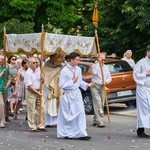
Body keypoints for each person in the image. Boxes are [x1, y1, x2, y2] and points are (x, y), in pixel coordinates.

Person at [57, 52, 93, 140]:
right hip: (68, 95)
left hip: (76, 94)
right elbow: (61, 85)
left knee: (80, 112)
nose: (78, 62)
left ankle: (81, 133)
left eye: (78, 60)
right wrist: (71, 81)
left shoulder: (78, 69)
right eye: (77, 60)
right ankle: (66, 132)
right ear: (71, 60)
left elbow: (80, 81)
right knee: (68, 115)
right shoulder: (64, 71)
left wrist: (87, 85)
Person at [24, 57, 46, 132]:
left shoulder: (38, 71)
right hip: (31, 92)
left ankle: (41, 125)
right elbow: (29, 86)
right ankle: (32, 126)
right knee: (31, 109)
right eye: (33, 63)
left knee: (42, 108)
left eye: (36, 62)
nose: (35, 64)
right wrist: (37, 93)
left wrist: (43, 78)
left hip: (39, 90)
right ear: (29, 64)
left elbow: (42, 82)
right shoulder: (28, 73)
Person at [90, 53, 112, 128]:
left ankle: (95, 120)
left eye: (104, 59)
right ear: (98, 59)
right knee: (97, 102)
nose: (103, 61)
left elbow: (109, 77)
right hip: (95, 86)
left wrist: (106, 81)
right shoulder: (94, 66)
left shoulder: (106, 67)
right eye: (101, 59)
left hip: (102, 86)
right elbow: (94, 73)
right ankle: (99, 121)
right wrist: (97, 64)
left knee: (102, 103)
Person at [133, 45, 150, 138]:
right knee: (144, 109)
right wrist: (146, 74)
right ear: (148, 51)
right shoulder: (141, 62)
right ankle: (140, 130)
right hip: (143, 88)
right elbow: (135, 75)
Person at [43, 54, 63, 127]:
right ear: (51, 58)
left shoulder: (60, 67)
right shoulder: (46, 67)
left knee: (56, 104)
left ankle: (56, 121)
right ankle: (47, 122)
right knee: (48, 105)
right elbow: (45, 76)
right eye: (54, 58)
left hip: (58, 87)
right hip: (48, 89)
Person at [0, 55, 11, 127]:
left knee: (4, 105)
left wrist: (7, 86)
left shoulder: (6, 68)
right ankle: (2, 120)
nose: (4, 61)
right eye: (2, 60)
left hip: (3, 89)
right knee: (1, 104)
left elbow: (9, 79)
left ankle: (3, 119)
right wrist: (1, 74)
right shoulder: (3, 70)